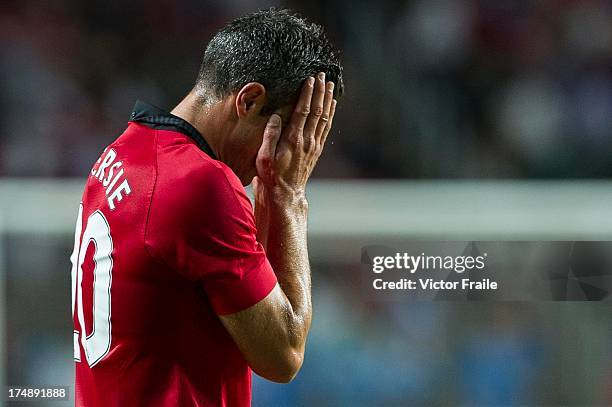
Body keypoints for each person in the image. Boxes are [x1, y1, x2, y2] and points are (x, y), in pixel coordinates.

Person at [69, 8, 343, 406]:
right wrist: (289, 195)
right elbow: (283, 354)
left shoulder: (120, 154)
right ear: (248, 101)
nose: (292, 154)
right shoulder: (202, 184)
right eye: (289, 134)